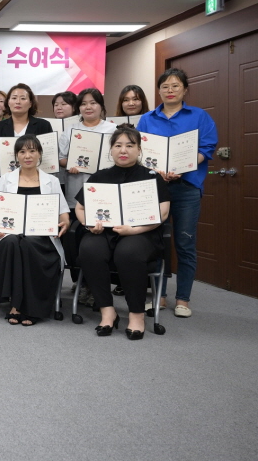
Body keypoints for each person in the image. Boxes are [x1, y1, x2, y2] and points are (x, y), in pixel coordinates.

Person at [75, 125, 171, 339]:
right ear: (111, 150)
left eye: (130, 145)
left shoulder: (152, 177)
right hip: (104, 231)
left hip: (142, 232)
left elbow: (163, 213)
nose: (123, 150)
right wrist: (89, 224)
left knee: (128, 252)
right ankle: (107, 311)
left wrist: (133, 229)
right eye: (118, 145)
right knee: (89, 249)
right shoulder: (100, 176)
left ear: (139, 149)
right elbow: (80, 208)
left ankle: (136, 314)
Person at [136, 68, 218, 317]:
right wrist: (157, 171)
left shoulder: (199, 116)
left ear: (185, 89)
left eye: (175, 86)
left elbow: (207, 147)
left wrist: (183, 167)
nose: (170, 91)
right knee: (155, 242)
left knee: (185, 242)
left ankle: (183, 299)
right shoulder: (147, 118)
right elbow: (139, 150)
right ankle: (159, 296)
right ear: (159, 91)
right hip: (154, 187)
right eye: (165, 87)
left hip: (187, 187)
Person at [0, 135, 70, 326]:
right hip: (10, 237)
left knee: (28, 243)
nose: (27, 156)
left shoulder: (51, 181)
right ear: (16, 156)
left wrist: (64, 224)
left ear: (39, 154)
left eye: (32, 151)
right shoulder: (6, 179)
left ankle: (30, 307)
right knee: (14, 242)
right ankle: (16, 304)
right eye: (22, 151)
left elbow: (64, 215)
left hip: (41, 239)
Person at [58, 88, 116, 304]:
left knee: (100, 240)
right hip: (76, 192)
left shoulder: (112, 130)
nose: (88, 107)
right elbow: (60, 158)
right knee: (75, 240)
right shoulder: (71, 130)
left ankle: (97, 284)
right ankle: (80, 282)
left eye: (93, 103)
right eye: (83, 103)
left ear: (101, 106)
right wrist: (70, 164)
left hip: (104, 193)